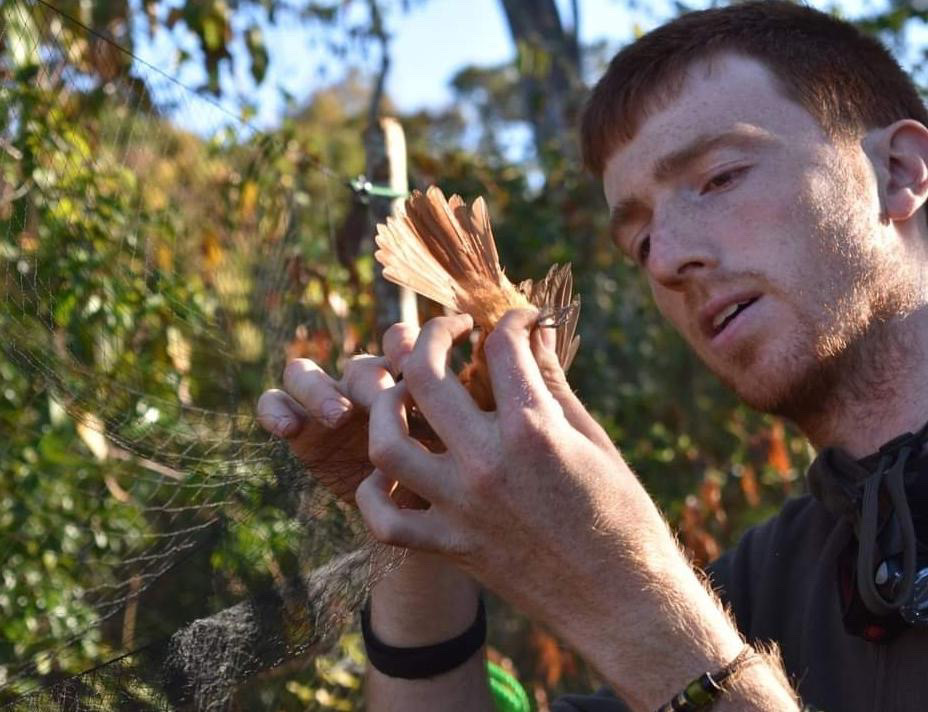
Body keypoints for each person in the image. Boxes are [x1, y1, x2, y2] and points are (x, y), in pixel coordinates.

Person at [257, 2, 928, 710]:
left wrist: (628, 588)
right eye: (638, 241)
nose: (666, 260)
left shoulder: (692, 604)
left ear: (898, 171)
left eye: (720, 177)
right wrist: (411, 529)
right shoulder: (768, 582)